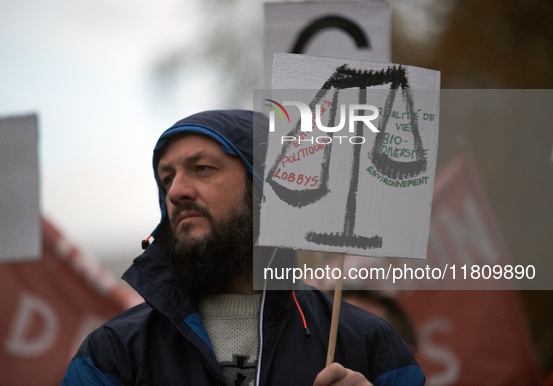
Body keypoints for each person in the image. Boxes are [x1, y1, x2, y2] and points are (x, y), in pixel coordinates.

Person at [62, 110, 424, 385]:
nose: (176, 192)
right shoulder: (113, 353)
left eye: (202, 168)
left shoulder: (365, 341)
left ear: (265, 188)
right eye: (167, 178)